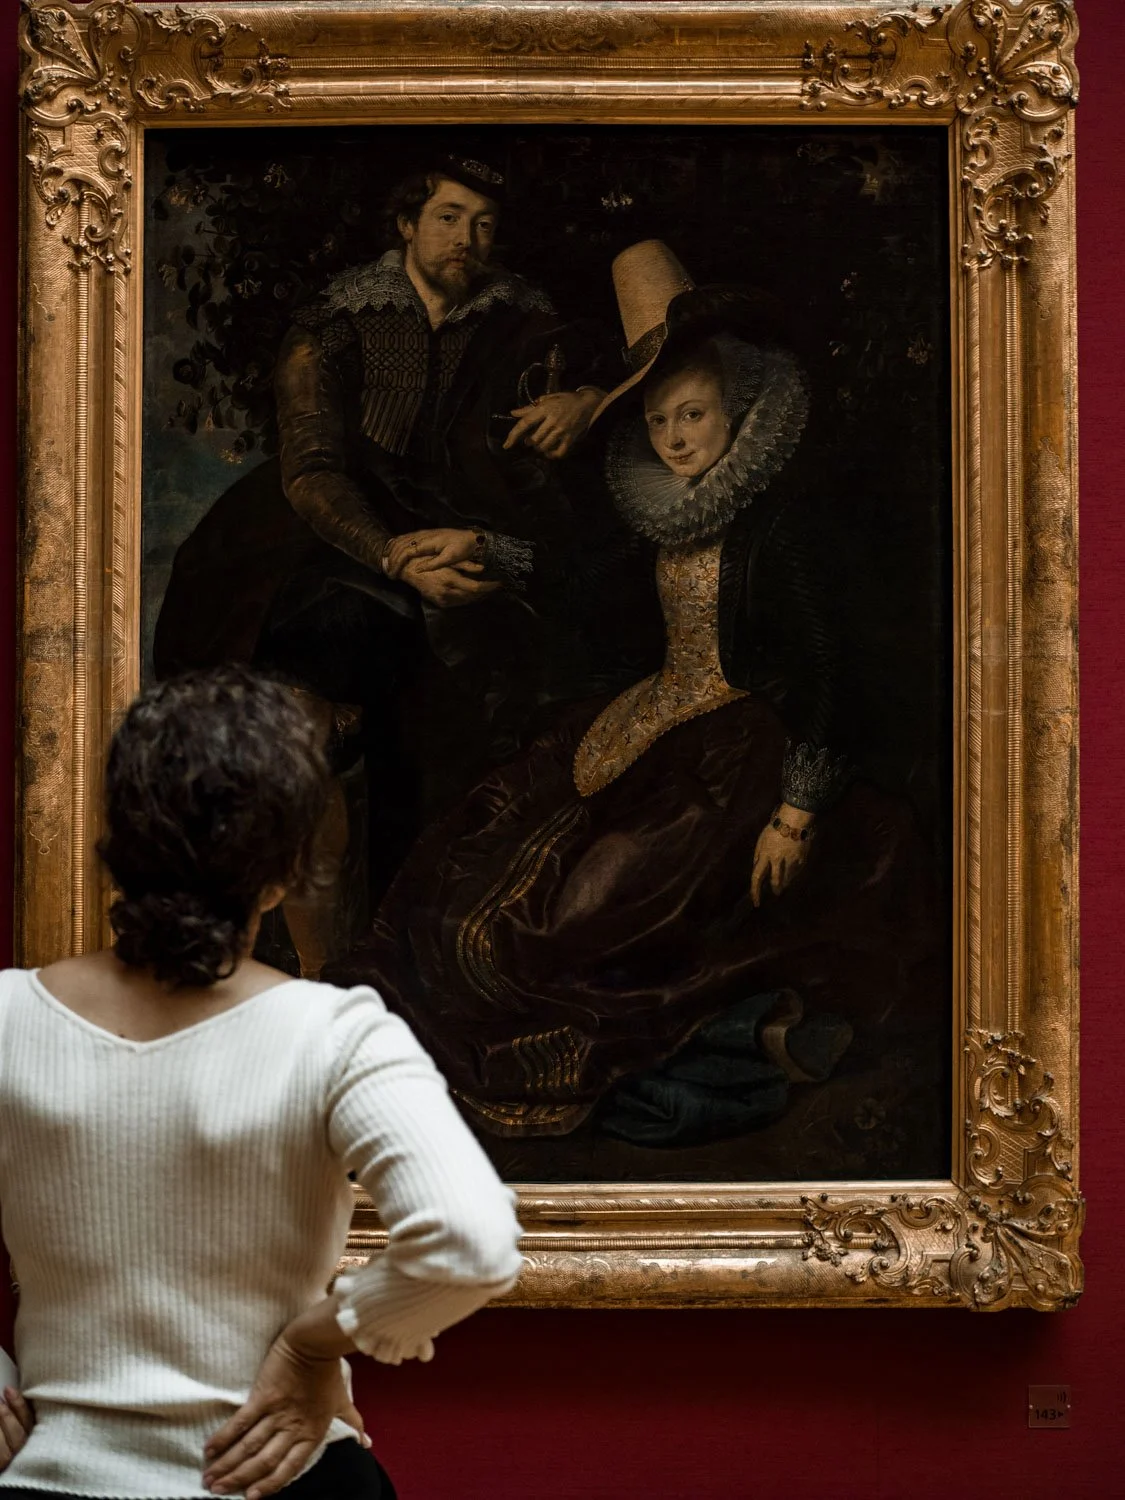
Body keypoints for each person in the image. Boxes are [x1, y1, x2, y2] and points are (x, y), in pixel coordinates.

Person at [330, 241, 939, 1148]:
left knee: (578, 916)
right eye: (657, 423)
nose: (676, 438)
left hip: (744, 746)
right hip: (649, 722)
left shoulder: (783, 531)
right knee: (466, 870)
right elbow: (585, 584)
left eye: (693, 414)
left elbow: (827, 671)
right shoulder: (660, 520)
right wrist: (486, 546)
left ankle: (738, 1032)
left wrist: (795, 814)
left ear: (738, 410)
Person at [0, 668, 523, 1498]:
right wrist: (312, 1345)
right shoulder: (337, 1033)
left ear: (116, 839)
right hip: (287, 1482)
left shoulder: (5, 1020)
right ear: (283, 870)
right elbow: (473, 1244)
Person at [154, 157, 656, 977]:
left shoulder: (526, 324)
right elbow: (312, 470)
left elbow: (632, 391)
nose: (468, 238)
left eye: (484, 223)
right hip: (321, 547)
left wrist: (585, 400)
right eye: (450, 217)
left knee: (468, 710)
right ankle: (325, 973)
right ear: (406, 224)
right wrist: (390, 554)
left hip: (462, 545)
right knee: (302, 718)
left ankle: (421, 964)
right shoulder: (337, 324)